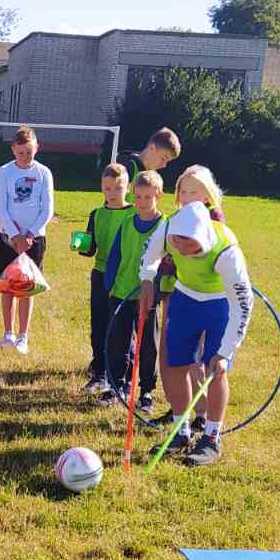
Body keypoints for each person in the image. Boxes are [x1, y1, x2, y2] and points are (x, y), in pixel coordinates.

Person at [137, 167, 252, 466]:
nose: (182, 250)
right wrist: (148, 279)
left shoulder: (227, 252)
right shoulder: (171, 229)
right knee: (175, 364)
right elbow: (150, 256)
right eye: (178, 244)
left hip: (219, 306)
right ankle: (181, 429)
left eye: (190, 245)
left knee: (216, 369)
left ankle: (211, 437)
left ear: (205, 238)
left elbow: (243, 305)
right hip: (185, 299)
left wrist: (226, 352)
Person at [101, 170, 169, 413]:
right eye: (138, 197)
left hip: (147, 298)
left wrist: (158, 292)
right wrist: (109, 285)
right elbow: (115, 256)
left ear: (158, 196)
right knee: (118, 342)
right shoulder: (127, 223)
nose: (141, 202)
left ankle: (147, 391)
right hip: (121, 293)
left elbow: (169, 263)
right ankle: (116, 385)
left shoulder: (165, 227)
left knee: (148, 346)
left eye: (147, 197)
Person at [0, 126, 54, 356]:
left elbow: (47, 209)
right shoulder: (4, 172)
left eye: (29, 152)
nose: (25, 157)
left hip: (33, 240)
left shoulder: (44, 173)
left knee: (27, 288)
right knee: (8, 286)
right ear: (13, 150)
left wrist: (30, 235)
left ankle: (23, 336)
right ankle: (8, 333)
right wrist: (14, 235)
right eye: (21, 153)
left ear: (36, 148)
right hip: (8, 238)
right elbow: (1, 207)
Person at [75, 161, 135, 395]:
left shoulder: (133, 214)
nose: (112, 194)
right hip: (100, 276)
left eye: (118, 188)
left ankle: (124, 379)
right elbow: (90, 249)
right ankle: (99, 374)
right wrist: (82, 245)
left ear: (127, 188)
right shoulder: (96, 214)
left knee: (121, 329)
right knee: (98, 325)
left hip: (125, 278)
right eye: (107, 188)